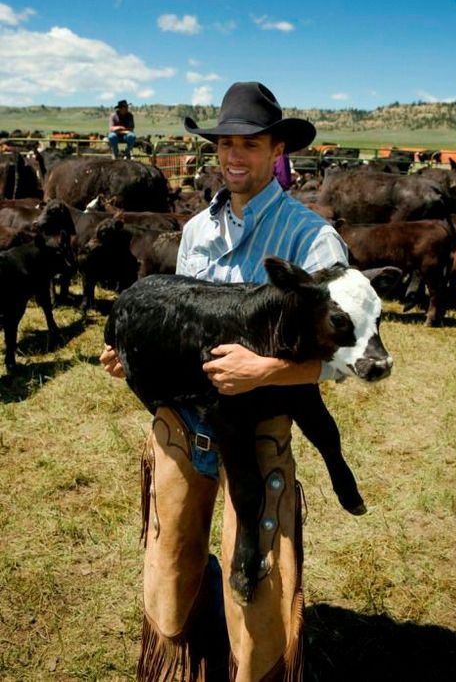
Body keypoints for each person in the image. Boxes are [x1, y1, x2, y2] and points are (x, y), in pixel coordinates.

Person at [100, 81, 349, 681]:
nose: (234, 156)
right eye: (225, 144)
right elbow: (177, 325)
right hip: (183, 427)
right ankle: (181, 664)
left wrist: (264, 368)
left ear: (278, 149)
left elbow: (347, 354)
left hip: (259, 434)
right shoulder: (195, 234)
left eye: (251, 144)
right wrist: (133, 359)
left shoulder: (311, 240)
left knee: (257, 583)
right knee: (169, 560)